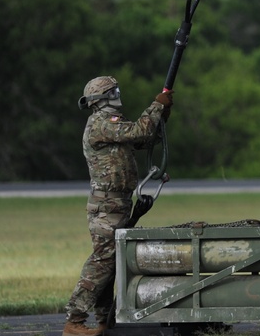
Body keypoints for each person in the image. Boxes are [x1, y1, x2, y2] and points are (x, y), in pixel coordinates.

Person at [63, 76, 171, 336]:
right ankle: (74, 321)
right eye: (114, 91)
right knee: (103, 261)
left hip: (118, 203)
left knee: (111, 264)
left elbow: (146, 139)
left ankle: (104, 321)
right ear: (103, 98)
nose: (118, 95)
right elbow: (139, 131)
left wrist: (163, 113)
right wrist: (156, 105)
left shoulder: (112, 126)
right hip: (107, 205)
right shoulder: (101, 124)